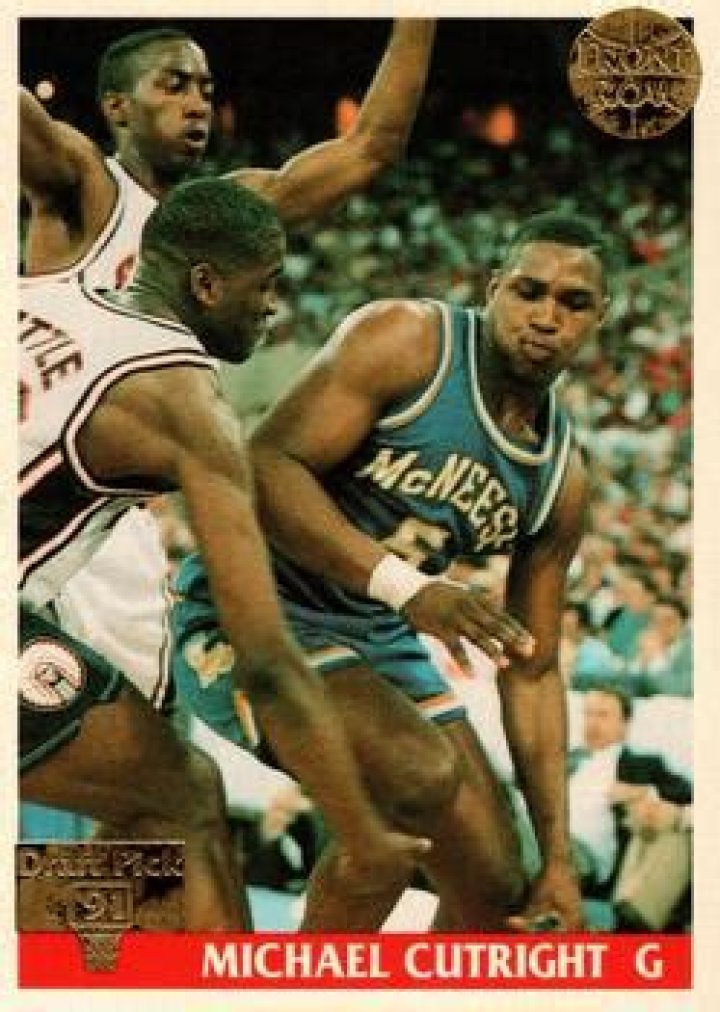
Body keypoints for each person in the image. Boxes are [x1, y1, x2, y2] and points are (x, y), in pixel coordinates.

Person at [173, 211, 614, 931]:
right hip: (254, 608)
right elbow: (266, 468)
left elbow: (533, 671)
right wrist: (406, 589)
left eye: (573, 303)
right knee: (416, 774)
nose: (546, 317)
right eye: (529, 291)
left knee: (498, 890)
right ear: (493, 288)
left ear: (599, 319)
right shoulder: (409, 340)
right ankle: (304, 980)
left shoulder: (561, 480)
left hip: (376, 639)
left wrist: (560, 860)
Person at [19, 178, 429, 929]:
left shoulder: (44, 294)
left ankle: (40, 946)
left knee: (148, 809)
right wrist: (361, 830)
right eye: (265, 285)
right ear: (206, 284)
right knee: (189, 799)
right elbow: (264, 656)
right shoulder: (184, 400)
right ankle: (220, 987)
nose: (273, 306)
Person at [19, 18, 436, 706]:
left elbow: (370, 148)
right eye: (174, 85)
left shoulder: (229, 215)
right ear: (116, 106)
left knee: (142, 734)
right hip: (34, 475)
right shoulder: (79, 180)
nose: (197, 104)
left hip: (110, 519)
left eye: (206, 90)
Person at [567, 686, 691, 929]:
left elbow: (689, 796)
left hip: (585, 857)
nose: (593, 723)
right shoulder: (565, 760)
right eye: (588, 714)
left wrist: (645, 791)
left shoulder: (643, 765)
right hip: (543, 839)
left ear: (625, 724)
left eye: (603, 715)